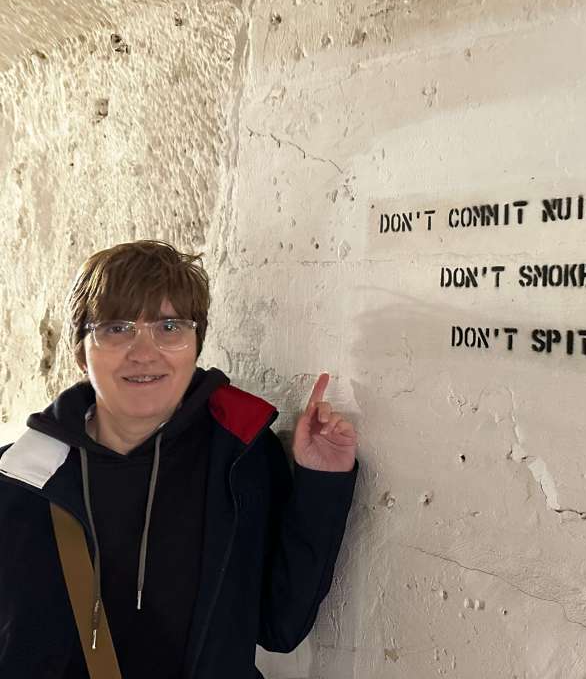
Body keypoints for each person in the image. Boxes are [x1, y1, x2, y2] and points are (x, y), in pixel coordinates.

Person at [0, 240, 358, 678]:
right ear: (80, 351)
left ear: (196, 344)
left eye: (169, 327)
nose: (144, 352)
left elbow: (280, 624)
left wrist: (321, 480)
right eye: (116, 328)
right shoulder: (22, 479)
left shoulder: (238, 459)